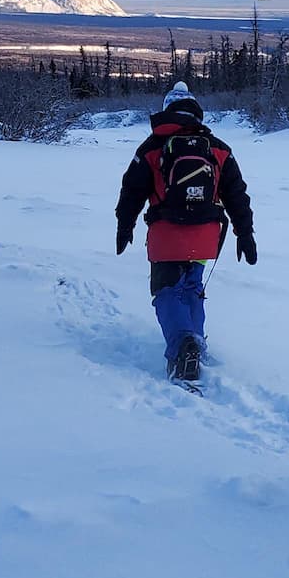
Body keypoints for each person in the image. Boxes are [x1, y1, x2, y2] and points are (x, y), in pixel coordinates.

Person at [115, 82, 257, 383]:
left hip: (166, 234)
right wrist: (246, 233)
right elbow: (237, 194)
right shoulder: (217, 147)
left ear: (168, 108)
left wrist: (124, 225)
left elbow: (131, 191)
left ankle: (183, 347)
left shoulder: (152, 146)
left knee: (167, 292)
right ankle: (196, 340)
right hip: (206, 236)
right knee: (192, 288)